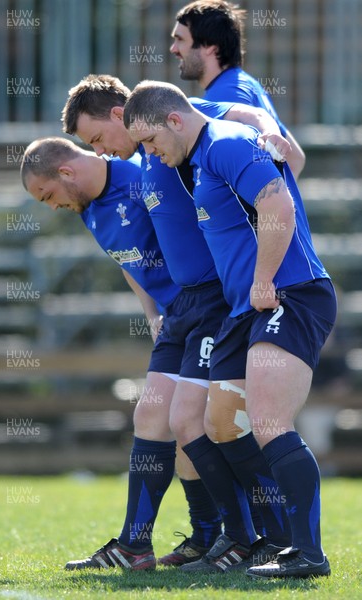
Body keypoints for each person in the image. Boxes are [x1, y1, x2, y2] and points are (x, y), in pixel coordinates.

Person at [60, 74, 293, 571]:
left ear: (121, 116)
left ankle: (249, 535)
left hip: (215, 297)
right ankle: (141, 543)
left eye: (99, 139)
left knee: (203, 420)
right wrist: (152, 312)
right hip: (182, 306)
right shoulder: (138, 163)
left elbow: (242, 117)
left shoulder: (173, 128)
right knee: (155, 416)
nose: (103, 152)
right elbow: (132, 255)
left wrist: (274, 137)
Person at [123, 80, 337, 579]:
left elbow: (278, 206)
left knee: (267, 420)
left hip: (291, 293)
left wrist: (264, 280)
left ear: (175, 121)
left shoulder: (225, 144)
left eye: (151, 141)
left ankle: (307, 553)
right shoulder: (198, 161)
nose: (149, 153)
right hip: (244, 311)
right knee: (218, 424)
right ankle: (265, 538)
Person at [171, 0, 306, 179]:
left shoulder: (228, 94)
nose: (173, 49)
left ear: (210, 47)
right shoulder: (243, 84)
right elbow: (295, 158)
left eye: (180, 40)